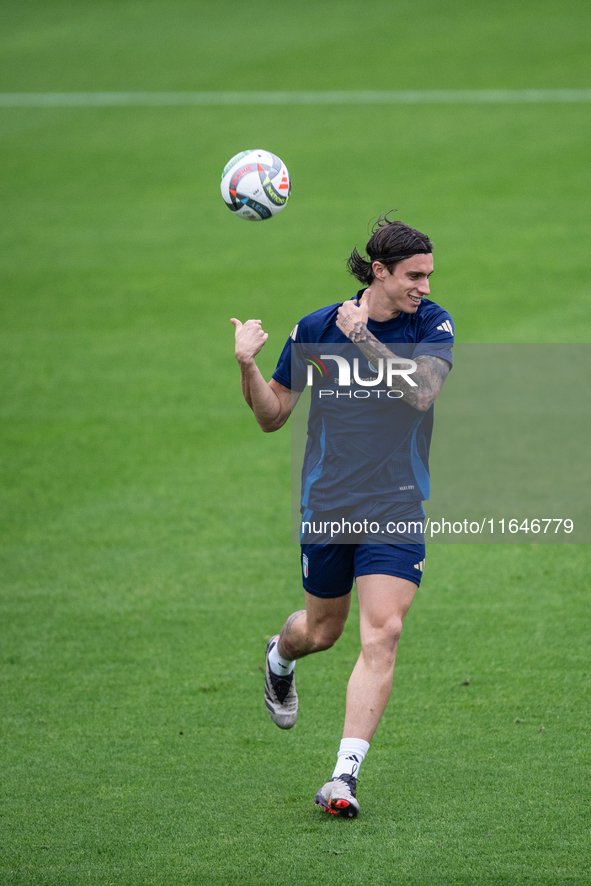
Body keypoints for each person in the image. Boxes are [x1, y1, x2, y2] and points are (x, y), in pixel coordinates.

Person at [231, 215, 454, 818]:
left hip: (396, 502)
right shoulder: (315, 328)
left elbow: (423, 391)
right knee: (322, 632)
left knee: (384, 632)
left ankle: (342, 778)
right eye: (414, 276)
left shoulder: (431, 325)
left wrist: (365, 340)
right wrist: (249, 366)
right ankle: (281, 655)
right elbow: (272, 415)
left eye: (429, 275)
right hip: (329, 504)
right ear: (379, 272)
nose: (425, 287)